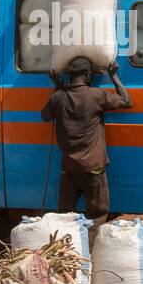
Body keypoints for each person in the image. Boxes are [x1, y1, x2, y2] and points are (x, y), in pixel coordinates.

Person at [41, 57, 132, 224]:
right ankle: (91, 249)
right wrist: (114, 76)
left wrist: (57, 86)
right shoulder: (96, 95)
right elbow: (127, 101)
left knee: (64, 216)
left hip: (69, 168)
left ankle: (67, 250)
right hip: (93, 168)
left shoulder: (59, 97)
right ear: (87, 74)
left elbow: (45, 115)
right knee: (96, 217)